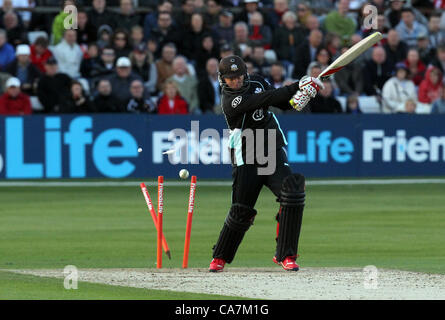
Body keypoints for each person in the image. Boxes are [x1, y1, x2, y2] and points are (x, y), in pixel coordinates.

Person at [208, 55, 323, 272]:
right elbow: (262, 100)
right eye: (231, 78)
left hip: (271, 148)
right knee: (241, 209)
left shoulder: (258, 82)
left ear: (245, 73)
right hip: (246, 154)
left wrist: (302, 97)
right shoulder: (229, 100)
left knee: (293, 193)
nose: (236, 81)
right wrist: (298, 84)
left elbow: (281, 102)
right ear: (223, 80)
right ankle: (220, 257)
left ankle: (286, 255)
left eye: (239, 76)